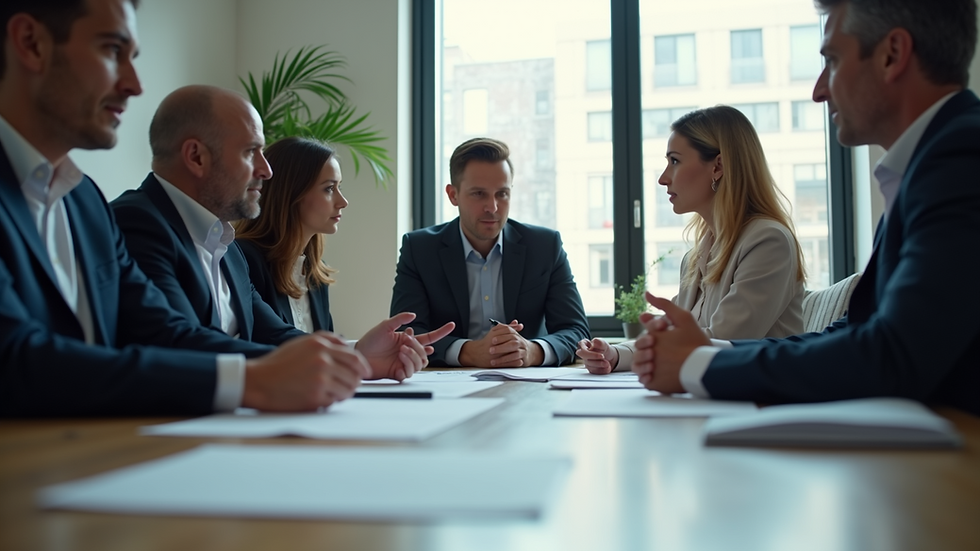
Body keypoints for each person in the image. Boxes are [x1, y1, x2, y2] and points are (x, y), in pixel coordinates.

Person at [0, 0, 438, 417]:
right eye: (113, 50)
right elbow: (17, 357)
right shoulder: (133, 218)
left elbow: (162, 329)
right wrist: (250, 381)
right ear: (31, 43)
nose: (134, 84)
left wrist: (349, 359)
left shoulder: (84, 201)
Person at [633, 0, 980, 416]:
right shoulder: (926, 167)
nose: (818, 90)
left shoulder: (962, 158)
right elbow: (859, 330)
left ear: (892, 55)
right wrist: (700, 355)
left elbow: (895, 353)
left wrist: (701, 364)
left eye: (831, 60)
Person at [111, 86, 448, 382]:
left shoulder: (226, 245)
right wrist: (321, 364)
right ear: (196, 157)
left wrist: (356, 355)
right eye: (249, 152)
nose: (266, 169)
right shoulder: (137, 222)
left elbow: (271, 333)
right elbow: (177, 341)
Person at [576, 106, 806, 374]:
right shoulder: (696, 257)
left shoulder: (768, 241)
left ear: (718, 166)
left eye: (674, 161)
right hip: (713, 394)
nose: (663, 178)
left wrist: (633, 351)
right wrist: (614, 354)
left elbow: (721, 339)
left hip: (760, 403)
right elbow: (677, 332)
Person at [234, 137, 456, 360]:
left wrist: (368, 355)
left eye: (339, 187)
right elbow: (274, 343)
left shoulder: (315, 275)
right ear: (290, 194)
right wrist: (360, 352)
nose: (343, 201)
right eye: (329, 188)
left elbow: (321, 358)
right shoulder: (242, 260)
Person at [390, 137, 590, 367]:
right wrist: (468, 351)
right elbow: (406, 333)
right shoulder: (419, 249)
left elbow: (576, 330)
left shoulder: (545, 246)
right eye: (479, 194)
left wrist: (531, 351)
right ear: (453, 195)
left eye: (502, 194)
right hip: (448, 387)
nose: (492, 207)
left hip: (527, 384)